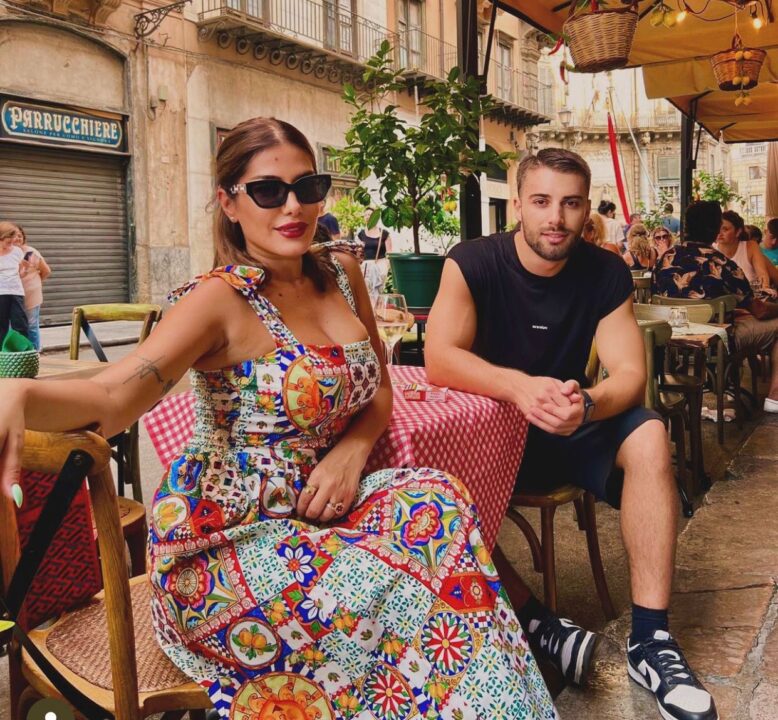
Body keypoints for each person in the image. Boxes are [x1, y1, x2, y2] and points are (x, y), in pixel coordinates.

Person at [0, 117, 558, 720]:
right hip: (223, 545)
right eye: (268, 191)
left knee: (439, 503)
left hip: (316, 515)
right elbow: (114, 397)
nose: (293, 206)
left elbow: (379, 387)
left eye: (307, 186)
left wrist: (352, 452)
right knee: (403, 593)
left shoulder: (340, 273)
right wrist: (20, 391)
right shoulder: (217, 299)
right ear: (229, 203)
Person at [425, 148, 718, 720]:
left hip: (568, 422)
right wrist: (520, 389)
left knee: (649, 434)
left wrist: (586, 403)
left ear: (586, 209)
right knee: (425, 487)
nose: (555, 218)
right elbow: (440, 357)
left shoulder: (604, 271)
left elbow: (629, 375)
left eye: (570, 203)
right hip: (490, 432)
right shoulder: (472, 262)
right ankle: (538, 623)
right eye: (541, 201)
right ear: (518, 205)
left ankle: (651, 640)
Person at [653, 201, 778, 414]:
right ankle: (775, 395)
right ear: (714, 229)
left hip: (672, 338)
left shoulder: (665, 259)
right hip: (717, 340)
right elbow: (759, 310)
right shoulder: (722, 263)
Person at [714, 210, 778, 292]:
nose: (720, 233)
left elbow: (762, 275)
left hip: (752, 297)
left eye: (725, 229)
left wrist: (765, 287)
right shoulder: (711, 249)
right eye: (717, 228)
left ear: (738, 231)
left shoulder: (750, 246)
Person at [12, 225, 51, 351]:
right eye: (14, 235)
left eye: (20, 235)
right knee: (12, 325)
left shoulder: (29, 253)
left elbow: (46, 271)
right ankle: (16, 353)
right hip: (12, 295)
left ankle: (35, 352)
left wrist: (35, 283)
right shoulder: (5, 252)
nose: (18, 238)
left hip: (31, 295)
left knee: (32, 325)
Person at [0, 221, 29, 341]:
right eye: (9, 240)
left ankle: (22, 350)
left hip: (16, 292)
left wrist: (25, 268)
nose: (12, 242)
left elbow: (21, 274)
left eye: (13, 239)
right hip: (1, 293)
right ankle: (2, 350)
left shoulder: (17, 251)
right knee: (1, 325)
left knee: (20, 323)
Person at [357, 209, 392, 300]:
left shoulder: (384, 234)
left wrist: (387, 266)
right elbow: (358, 252)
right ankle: (370, 308)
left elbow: (389, 253)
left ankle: (378, 307)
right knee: (367, 291)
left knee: (378, 290)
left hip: (380, 265)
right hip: (366, 266)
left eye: (370, 214)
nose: (367, 217)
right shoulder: (361, 234)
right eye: (365, 215)